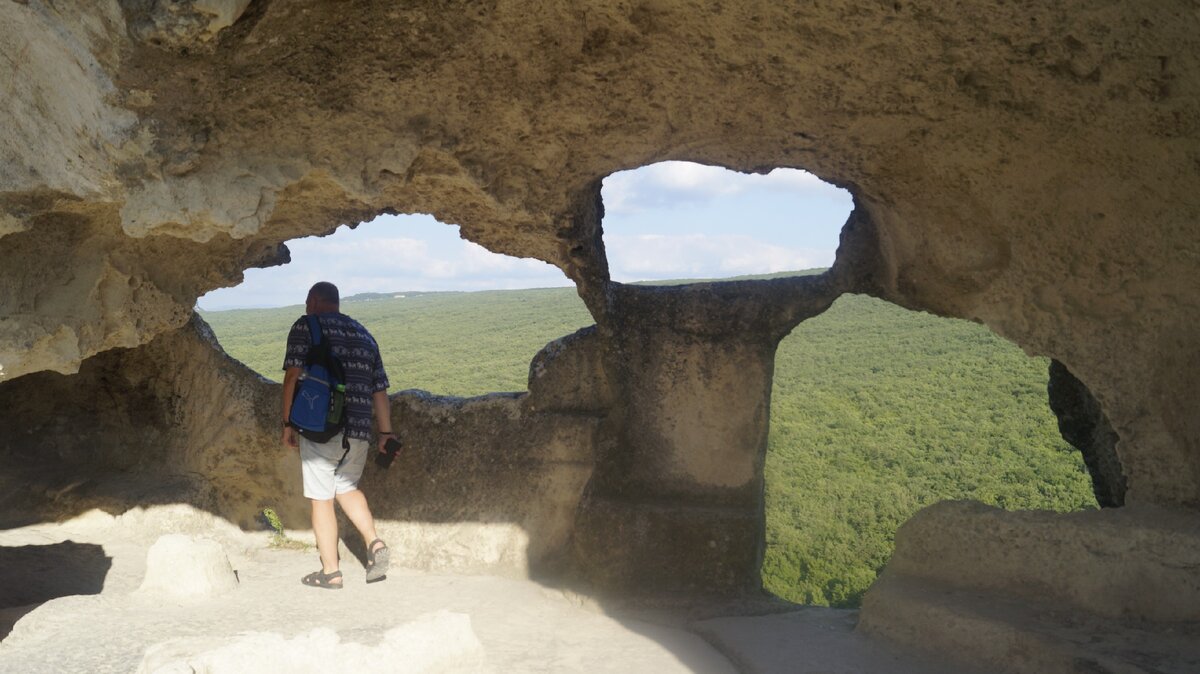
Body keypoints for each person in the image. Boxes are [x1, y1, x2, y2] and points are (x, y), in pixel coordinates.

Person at [281, 281, 396, 589]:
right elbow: (379, 390)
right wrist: (385, 433)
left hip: (321, 427)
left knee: (322, 499)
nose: (306, 307)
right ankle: (375, 544)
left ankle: (330, 572)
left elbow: (293, 375)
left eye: (308, 301)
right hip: (358, 428)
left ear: (316, 301)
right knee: (346, 488)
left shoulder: (307, 326)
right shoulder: (364, 334)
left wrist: (287, 423)